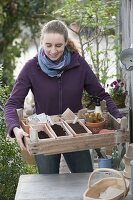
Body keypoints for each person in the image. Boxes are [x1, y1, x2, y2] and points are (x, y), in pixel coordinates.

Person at [4, 20, 123, 174]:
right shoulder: (31, 68)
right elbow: (12, 104)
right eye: (48, 45)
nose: (53, 51)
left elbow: (102, 95)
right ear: (42, 43)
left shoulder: (78, 64)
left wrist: (119, 118)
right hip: (44, 134)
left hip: (76, 132)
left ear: (66, 42)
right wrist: (15, 128)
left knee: (84, 179)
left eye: (58, 45)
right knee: (48, 185)